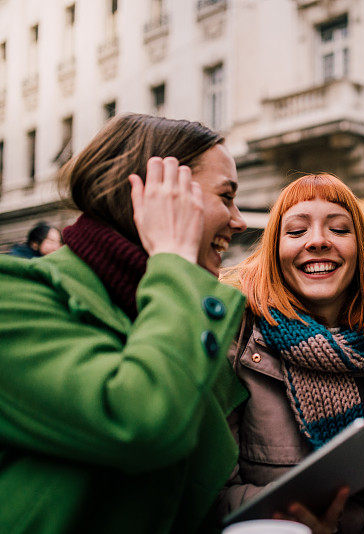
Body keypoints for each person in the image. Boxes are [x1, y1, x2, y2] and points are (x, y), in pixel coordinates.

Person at [0, 114, 249, 532]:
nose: (239, 220)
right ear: (158, 197)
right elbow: (141, 422)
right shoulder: (14, 293)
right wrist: (172, 259)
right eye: (226, 197)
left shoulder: (178, 309)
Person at [217, 174, 364, 533]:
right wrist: (300, 517)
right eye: (296, 231)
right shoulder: (236, 336)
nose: (318, 241)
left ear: (360, 246)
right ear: (274, 251)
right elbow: (213, 494)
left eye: (339, 229)